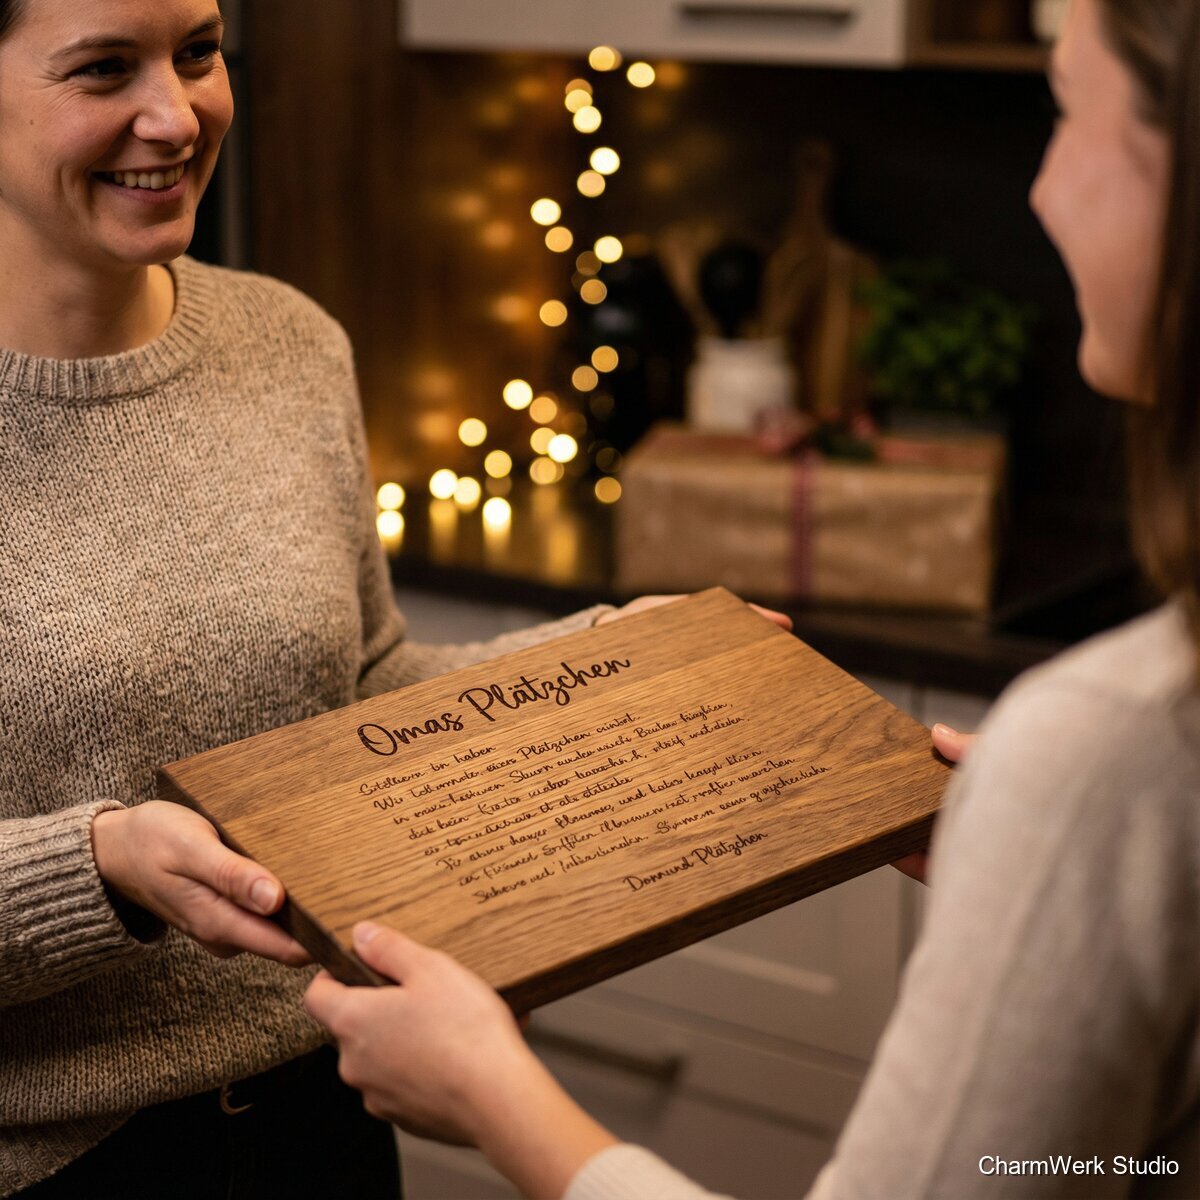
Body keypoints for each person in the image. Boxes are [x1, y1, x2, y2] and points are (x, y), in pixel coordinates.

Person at [305, 1, 1200, 1196]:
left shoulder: (1114, 741)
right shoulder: (1117, 765)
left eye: (1069, 111)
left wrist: (493, 1093)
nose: (1040, 191)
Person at [0, 1, 787, 1195]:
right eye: (104, 69)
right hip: (61, 1163)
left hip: (328, 1107)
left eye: (200, 53)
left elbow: (360, 693)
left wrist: (609, 659)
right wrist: (99, 862)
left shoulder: (290, 343)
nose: (177, 114)